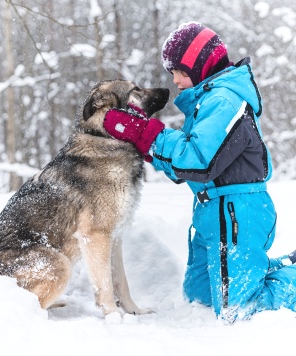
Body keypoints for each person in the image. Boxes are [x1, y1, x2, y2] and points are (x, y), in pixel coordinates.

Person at [103, 21, 296, 323]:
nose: (176, 81)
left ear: (200, 66)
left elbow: (198, 160)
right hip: (212, 212)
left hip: (237, 213)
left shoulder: (224, 101)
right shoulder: (207, 102)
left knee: (239, 310)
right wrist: (146, 143)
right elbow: (184, 170)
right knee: (200, 298)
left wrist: (149, 134)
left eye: (179, 72)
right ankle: (262, 267)